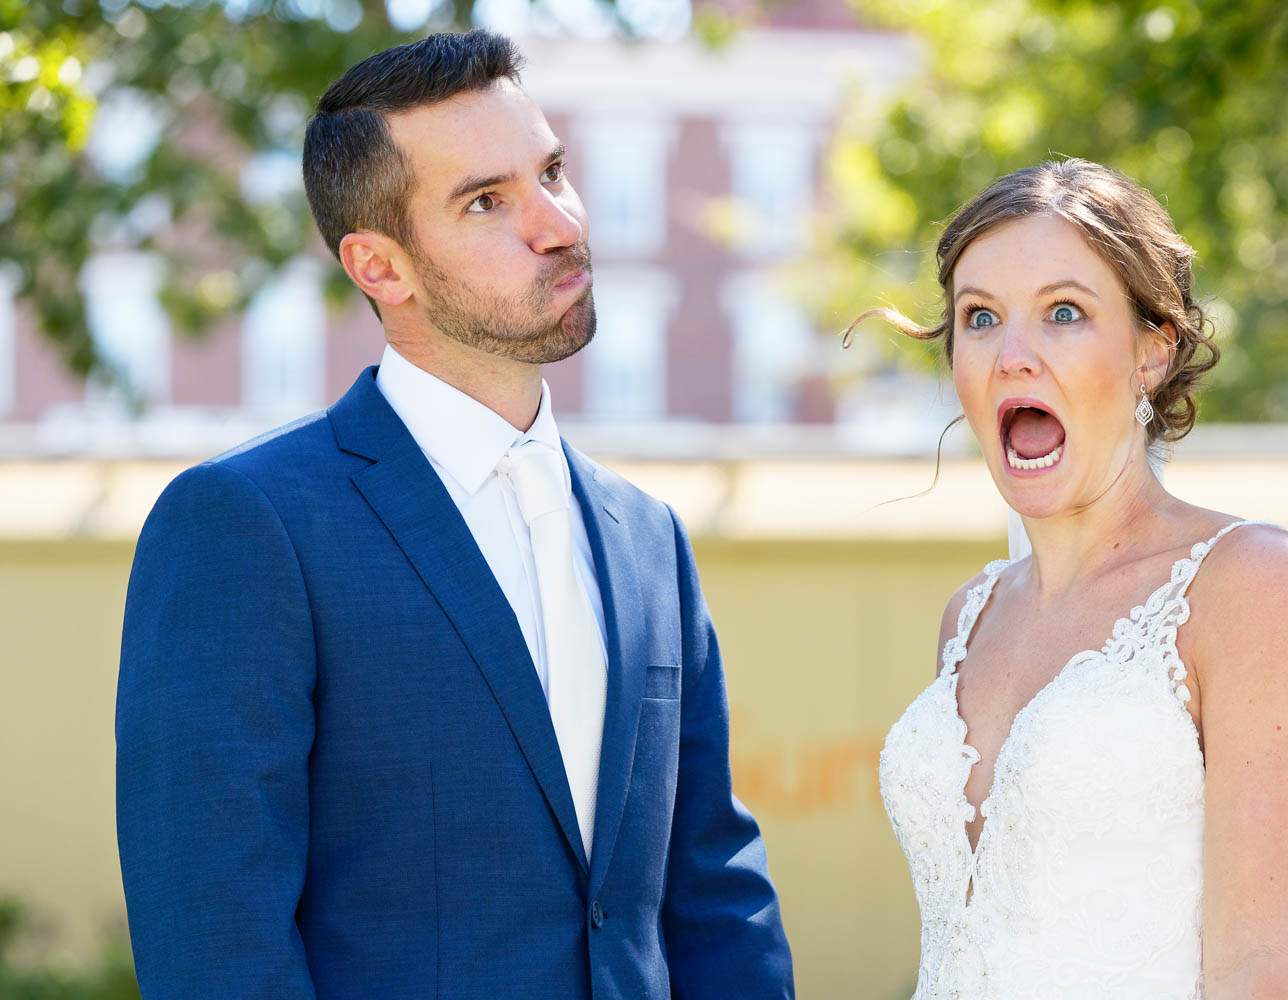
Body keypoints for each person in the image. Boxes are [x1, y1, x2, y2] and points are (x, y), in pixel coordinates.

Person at [115, 30, 793, 1000]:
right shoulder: (245, 526)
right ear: (379, 266)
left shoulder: (649, 539)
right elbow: (215, 936)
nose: (557, 222)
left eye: (552, 171)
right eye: (488, 201)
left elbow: (715, 892)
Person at [859, 158, 1288, 998]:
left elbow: (1256, 965)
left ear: (1151, 354)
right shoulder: (969, 616)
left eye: (1064, 313)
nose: (1013, 355)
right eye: (981, 317)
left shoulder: (1251, 585)